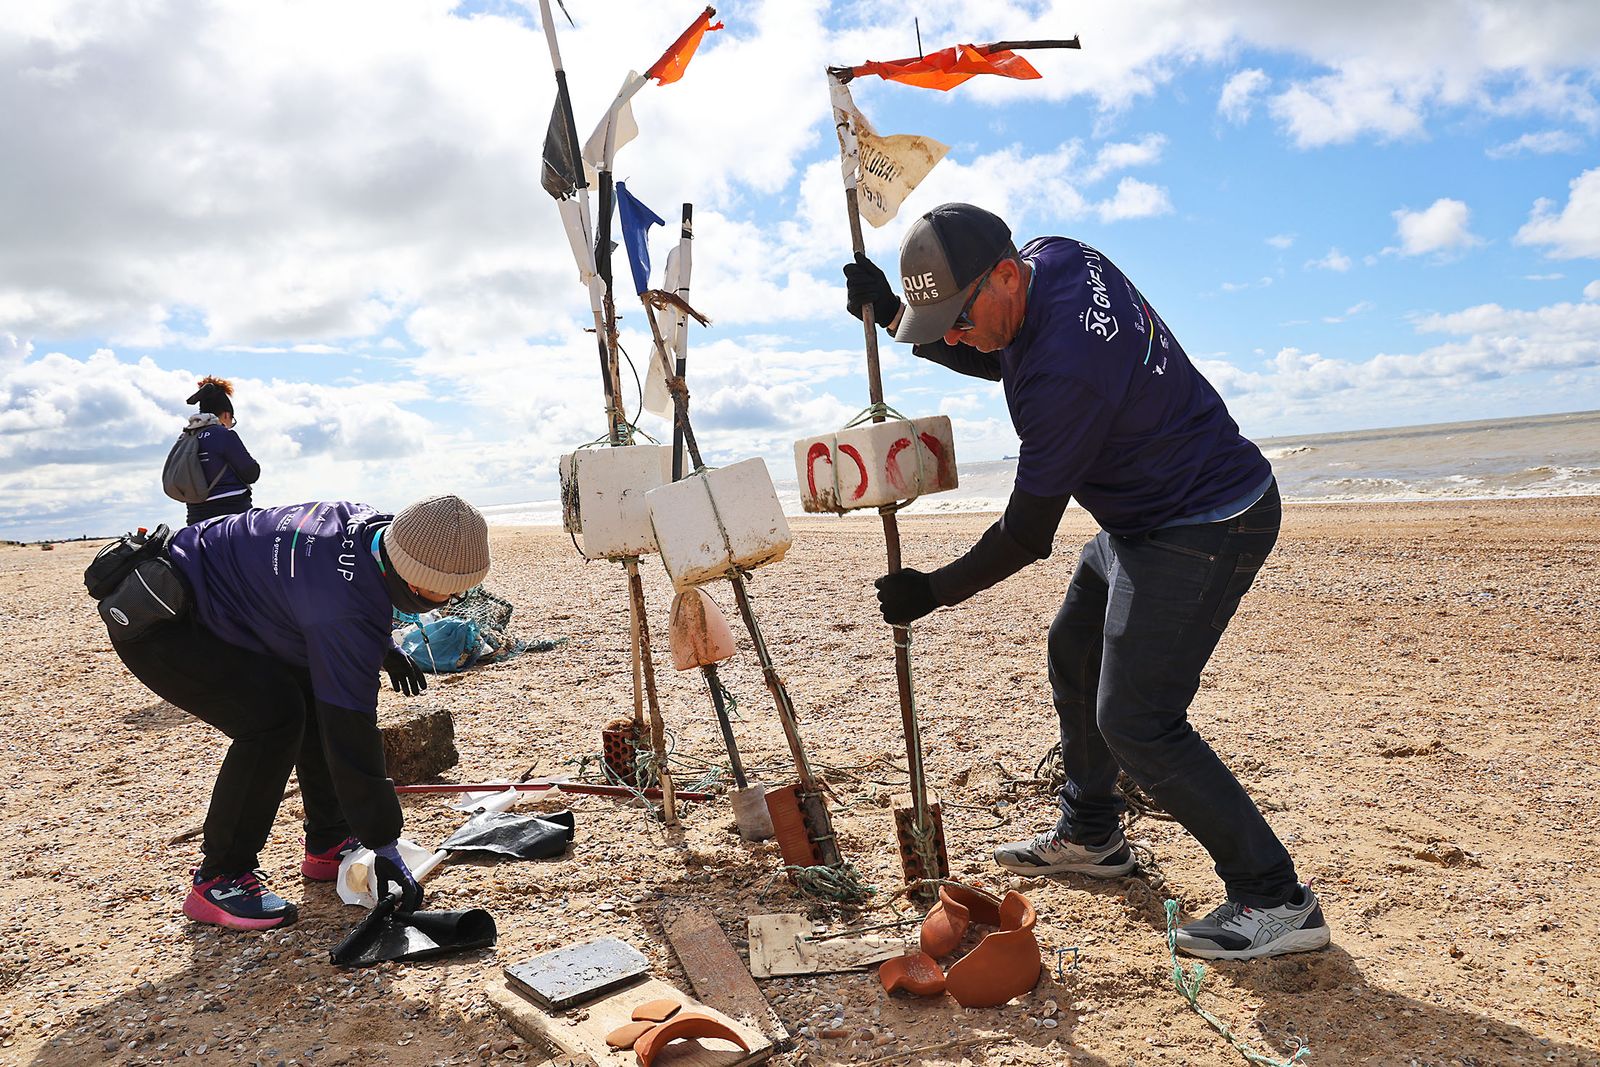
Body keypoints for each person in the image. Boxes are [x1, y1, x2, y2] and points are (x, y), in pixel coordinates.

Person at [843, 203, 1329, 961]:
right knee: (1073, 649)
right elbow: (1001, 350)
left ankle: (1275, 898)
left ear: (1007, 276)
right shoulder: (1058, 255)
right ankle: (1092, 833)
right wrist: (904, 319)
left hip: (1205, 522)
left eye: (958, 318)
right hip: (1141, 518)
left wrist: (931, 591)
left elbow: (1025, 534)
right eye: (946, 323)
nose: (956, 336)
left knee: (1138, 719)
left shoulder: (1064, 377)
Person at [109, 493, 491, 930]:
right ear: (414, 580)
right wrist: (384, 842)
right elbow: (351, 733)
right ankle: (219, 877)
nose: (454, 597)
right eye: (448, 590)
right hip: (161, 619)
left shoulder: (374, 530)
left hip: (228, 604)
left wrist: (383, 646)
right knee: (272, 719)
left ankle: (329, 841)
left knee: (309, 691)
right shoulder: (339, 609)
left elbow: (343, 587)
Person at [183, 376, 262, 525]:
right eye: (232, 420)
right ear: (226, 414)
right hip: (231, 517)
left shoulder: (186, 437)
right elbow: (251, 473)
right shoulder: (223, 434)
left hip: (196, 520)